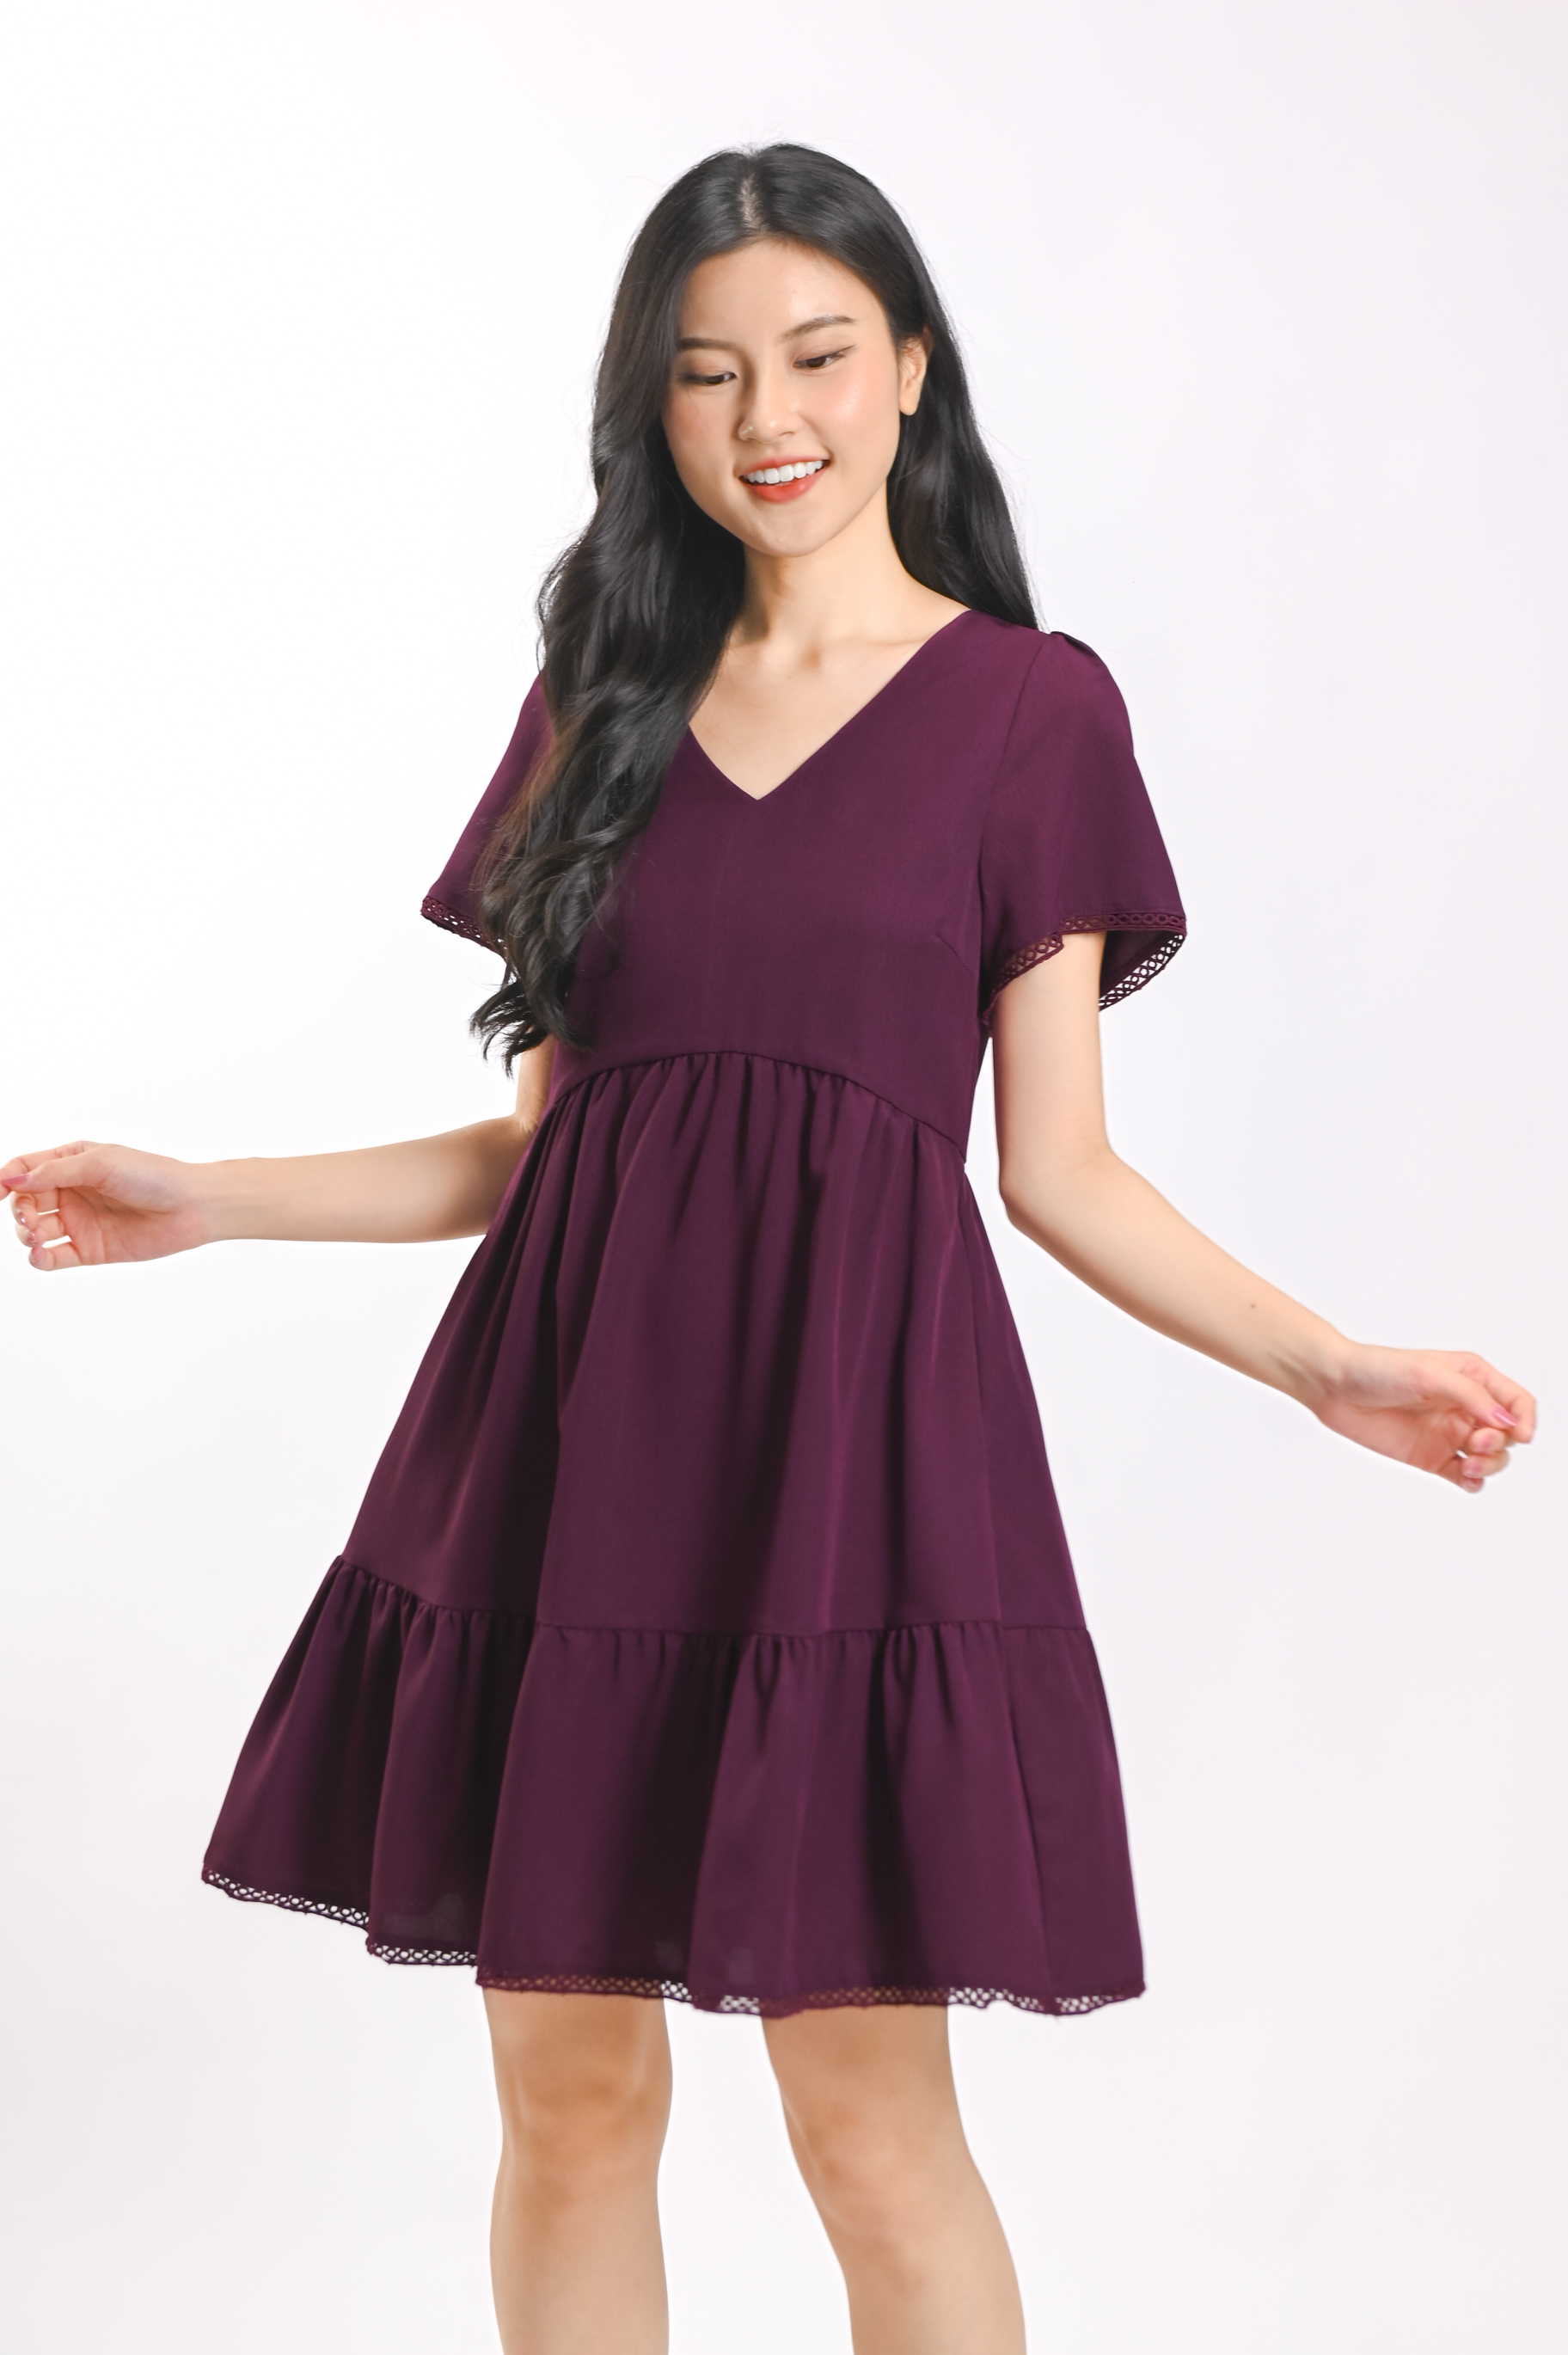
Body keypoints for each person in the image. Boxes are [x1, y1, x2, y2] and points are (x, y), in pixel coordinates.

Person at [3, 144, 1533, 2355]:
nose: (768, 416)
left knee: (867, 2122)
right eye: (708, 372)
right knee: (570, 2098)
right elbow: (557, 1149)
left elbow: (1061, 1169)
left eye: (816, 355)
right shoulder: (599, 698)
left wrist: (1330, 1362)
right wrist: (212, 1195)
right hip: (562, 1460)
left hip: (849, 1472)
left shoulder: (1031, 710)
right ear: (655, 403)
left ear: (909, 367)